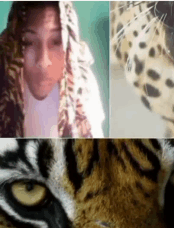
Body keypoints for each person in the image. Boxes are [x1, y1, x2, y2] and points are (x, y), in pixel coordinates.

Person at [0, 1, 105, 138]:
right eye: (28, 42)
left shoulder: (84, 88)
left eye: (56, 41)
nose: (43, 62)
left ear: (69, 45)